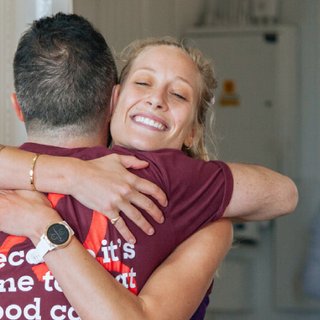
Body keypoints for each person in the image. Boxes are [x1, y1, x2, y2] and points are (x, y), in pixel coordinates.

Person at [0, 13, 298, 320]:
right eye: (142, 83)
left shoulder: (180, 184)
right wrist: (75, 175)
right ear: (113, 101)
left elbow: (284, 193)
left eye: (179, 94)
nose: (156, 100)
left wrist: (44, 223)